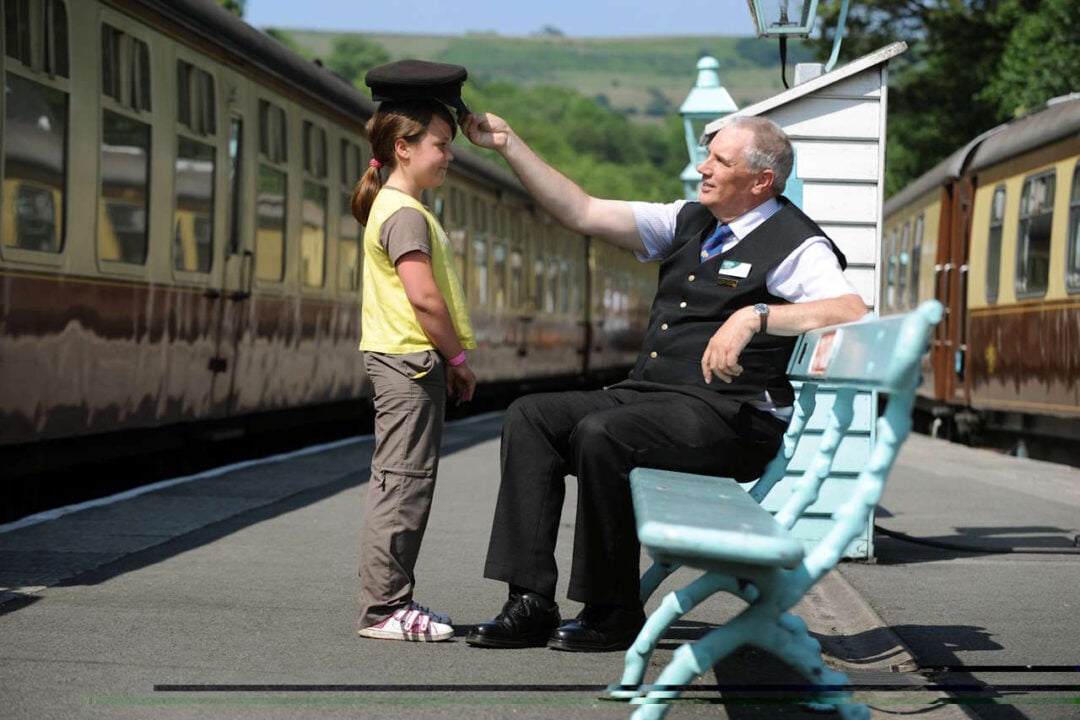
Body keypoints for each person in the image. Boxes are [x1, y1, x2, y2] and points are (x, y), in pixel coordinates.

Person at [460, 112, 867, 652]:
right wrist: (509, 144)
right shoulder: (688, 220)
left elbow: (852, 310)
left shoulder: (796, 243)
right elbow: (581, 211)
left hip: (731, 417)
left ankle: (612, 611)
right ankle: (530, 600)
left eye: (720, 161)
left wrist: (755, 316)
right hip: (655, 398)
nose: (704, 167)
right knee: (530, 415)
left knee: (605, 433)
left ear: (761, 180)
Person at [352, 95, 477, 642]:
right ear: (403, 148)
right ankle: (385, 610)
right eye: (440, 144)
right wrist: (458, 359)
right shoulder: (404, 214)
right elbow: (424, 299)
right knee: (403, 485)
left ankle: (392, 600)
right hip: (409, 362)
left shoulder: (401, 207)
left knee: (400, 482)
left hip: (404, 360)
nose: (449, 155)